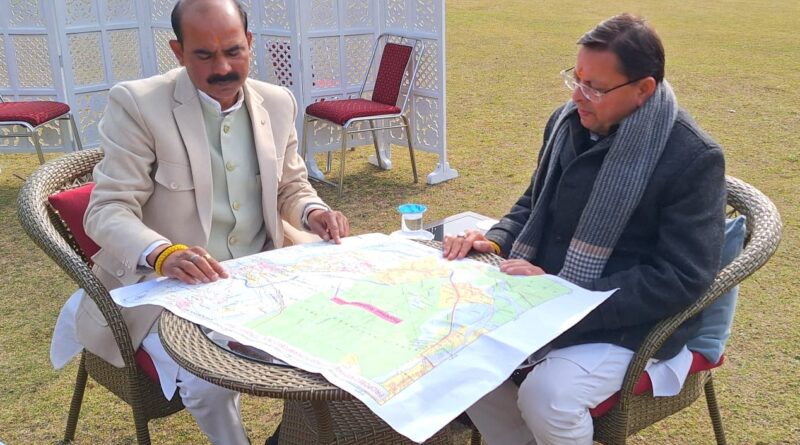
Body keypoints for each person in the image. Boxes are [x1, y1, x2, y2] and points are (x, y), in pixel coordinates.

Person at [59, 0, 349, 443]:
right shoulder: (138, 103)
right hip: (170, 288)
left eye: (233, 51)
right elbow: (107, 209)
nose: (223, 68)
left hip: (262, 271)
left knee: (336, 333)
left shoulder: (277, 102)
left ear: (249, 42)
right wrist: (163, 254)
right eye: (204, 55)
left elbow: (291, 186)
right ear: (178, 52)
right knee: (208, 381)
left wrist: (314, 212)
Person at [443, 14, 726, 445]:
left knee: (549, 397)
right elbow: (533, 203)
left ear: (644, 89)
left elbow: (680, 278)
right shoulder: (567, 123)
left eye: (594, 86)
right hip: (547, 296)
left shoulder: (692, 158)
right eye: (576, 78)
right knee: (455, 346)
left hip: (630, 322)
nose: (578, 95)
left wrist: (566, 297)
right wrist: (495, 240)